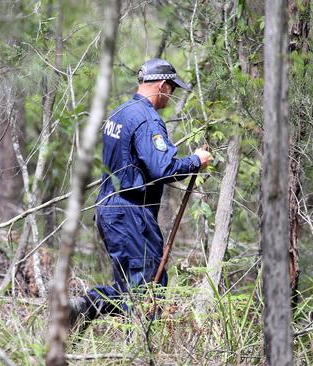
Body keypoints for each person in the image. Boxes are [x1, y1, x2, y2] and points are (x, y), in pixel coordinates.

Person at [68, 58, 213, 329]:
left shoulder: (120, 113)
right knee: (148, 290)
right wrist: (196, 161)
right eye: (172, 88)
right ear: (162, 85)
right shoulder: (147, 119)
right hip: (131, 213)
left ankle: (84, 307)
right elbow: (164, 167)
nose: (171, 95)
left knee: (132, 287)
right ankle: (137, 348)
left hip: (112, 210)